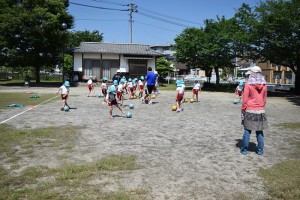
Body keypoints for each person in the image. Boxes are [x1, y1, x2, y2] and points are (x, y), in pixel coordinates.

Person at [240, 66, 268, 155]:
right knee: (259, 131)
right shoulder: (264, 85)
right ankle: (260, 150)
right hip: (260, 110)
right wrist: (261, 106)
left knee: (247, 131)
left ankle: (244, 149)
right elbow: (264, 99)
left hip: (250, 110)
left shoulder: (248, 84)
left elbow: (245, 99)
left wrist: (243, 109)